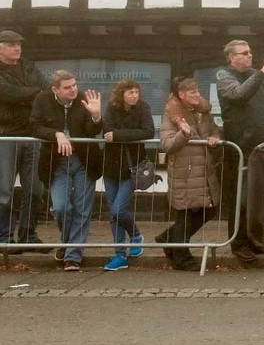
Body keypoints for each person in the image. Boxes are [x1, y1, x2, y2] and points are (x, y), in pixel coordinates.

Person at [216, 40, 264, 262]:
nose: (250, 56)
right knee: (242, 199)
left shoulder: (257, 76)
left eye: (250, 52)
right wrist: (262, 73)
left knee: (259, 197)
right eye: (244, 53)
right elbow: (239, 95)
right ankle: (238, 244)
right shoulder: (224, 76)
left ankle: (255, 240)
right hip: (242, 148)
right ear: (231, 57)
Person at [29, 71, 102, 271]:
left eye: (74, 85)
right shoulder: (42, 100)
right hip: (57, 162)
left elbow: (92, 130)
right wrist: (56, 134)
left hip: (84, 161)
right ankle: (68, 242)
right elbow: (34, 126)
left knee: (81, 209)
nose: (73, 89)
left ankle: (73, 256)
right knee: (61, 207)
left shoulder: (83, 100)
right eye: (67, 87)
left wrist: (96, 116)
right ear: (55, 89)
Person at [159, 77, 222, 271]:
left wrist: (215, 137)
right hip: (184, 171)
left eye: (198, 91)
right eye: (193, 92)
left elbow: (215, 130)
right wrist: (184, 134)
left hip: (204, 169)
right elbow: (167, 144)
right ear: (182, 95)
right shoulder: (172, 114)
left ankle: (167, 239)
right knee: (184, 214)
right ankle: (182, 256)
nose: (197, 95)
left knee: (210, 208)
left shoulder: (203, 111)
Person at [99, 79, 155, 271]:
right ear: (121, 94)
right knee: (113, 214)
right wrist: (120, 134)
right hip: (111, 167)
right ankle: (119, 254)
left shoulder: (143, 108)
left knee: (118, 210)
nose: (134, 96)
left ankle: (136, 235)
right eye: (130, 92)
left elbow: (148, 131)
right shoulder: (112, 107)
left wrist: (119, 135)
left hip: (132, 168)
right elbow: (107, 130)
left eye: (136, 92)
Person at [0, 30, 47, 252]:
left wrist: (25, 95)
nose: (17, 48)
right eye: (11, 45)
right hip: (6, 136)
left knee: (34, 189)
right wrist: (31, 94)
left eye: (18, 44)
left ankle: (28, 235)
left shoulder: (30, 67)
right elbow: (7, 94)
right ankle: (4, 237)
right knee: (4, 191)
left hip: (32, 135)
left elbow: (45, 92)